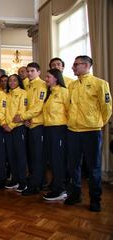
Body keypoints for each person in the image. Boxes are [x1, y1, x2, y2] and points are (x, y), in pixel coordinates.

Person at [64, 55, 112, 212]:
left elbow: (107, 108)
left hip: (91, 131)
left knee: (93, 168)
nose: (73, 67)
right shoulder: (71, 86)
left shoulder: (100, 84)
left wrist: (98, 123)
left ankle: (95, 199)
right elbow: (68, 107)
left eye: (76, 64)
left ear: (86, 65)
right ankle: (75, 194)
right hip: (72, 131)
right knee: (73, 166)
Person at [13, 62, 47, 196]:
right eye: (28, 71)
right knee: (32, 156)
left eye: (32, 71)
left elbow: (38, 107)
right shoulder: (27, 85)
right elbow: (25, 105)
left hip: (38, 125)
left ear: (38, 72)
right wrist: (25, 118)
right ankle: (37, 181)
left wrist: (22, 117)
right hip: (28, 124)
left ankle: (36, 185)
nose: (29, 73)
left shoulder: (42, 85)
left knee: (38, 157)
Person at [42, 68, 69, 201]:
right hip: (48, 129)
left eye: (48, 77)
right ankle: (56, 186)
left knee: (58, 160)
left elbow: (70, 111)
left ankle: (61, 189)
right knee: (51, 160)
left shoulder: (64, 92)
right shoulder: (50, 93)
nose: (46, 79)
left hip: (59, 129)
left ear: (56, 78)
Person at [3, 74, 28, 192]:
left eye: (14, 80)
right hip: (6, 128)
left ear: (19, 81)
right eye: (10, 81)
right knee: (11, 155)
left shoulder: (23, 93)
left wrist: (11, 126)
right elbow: (2, 111)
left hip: (18, 128)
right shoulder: (6, 95)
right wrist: (3, 124)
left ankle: (23, 181)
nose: (12, 82)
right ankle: (15, 179)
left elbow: (21, 112)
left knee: (20, 155)